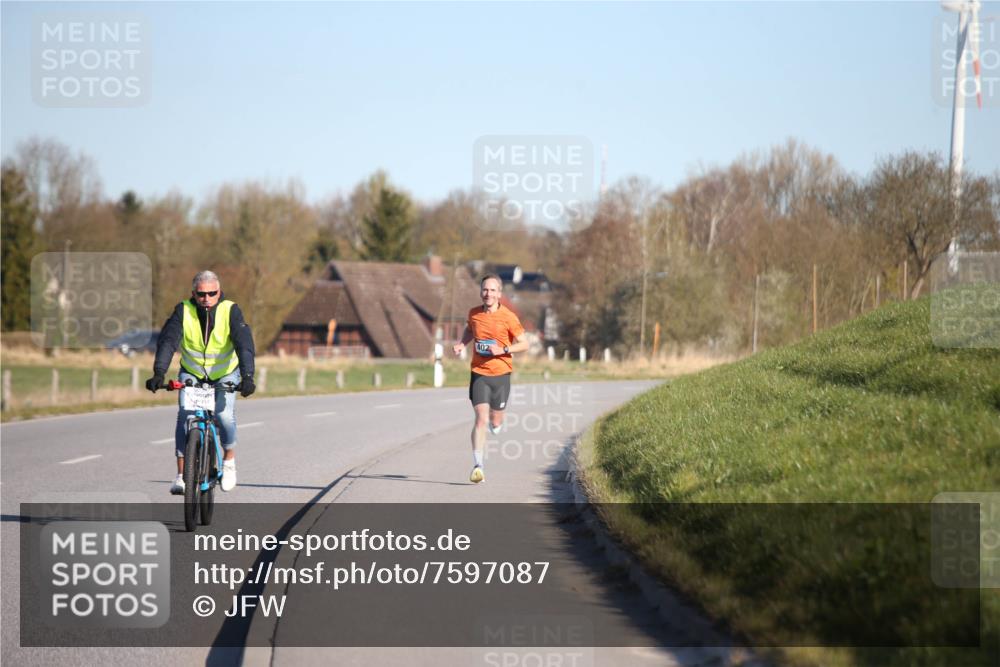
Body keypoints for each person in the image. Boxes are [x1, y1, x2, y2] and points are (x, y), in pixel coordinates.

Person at [146, 270, 256, 495]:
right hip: (193, 373)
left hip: (225, 373)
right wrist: (159, 372)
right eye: (201, 294)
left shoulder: (230, 311)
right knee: (186, 415)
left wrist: (247, 377)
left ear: (219, 293)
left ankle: (229, 460)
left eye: (212, 293)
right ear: (194, 294)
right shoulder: (183, 310)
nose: (206, 298)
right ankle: (181, 476)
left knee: (224, 415)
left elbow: (244, 344)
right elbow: (168, 341)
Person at [452, 274, 528, 483]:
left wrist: (503, 349)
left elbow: (524, 344)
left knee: (495, 419)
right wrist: (461, 344)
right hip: (479, 373)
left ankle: (498, 422)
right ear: (481, 292)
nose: (488, 294)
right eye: (485, 290)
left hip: (501, 374)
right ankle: (478, 466)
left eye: (492, 290)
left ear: (499, 294)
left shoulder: (508, 317)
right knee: (481, 419)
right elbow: (470, 329)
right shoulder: (474, 314)